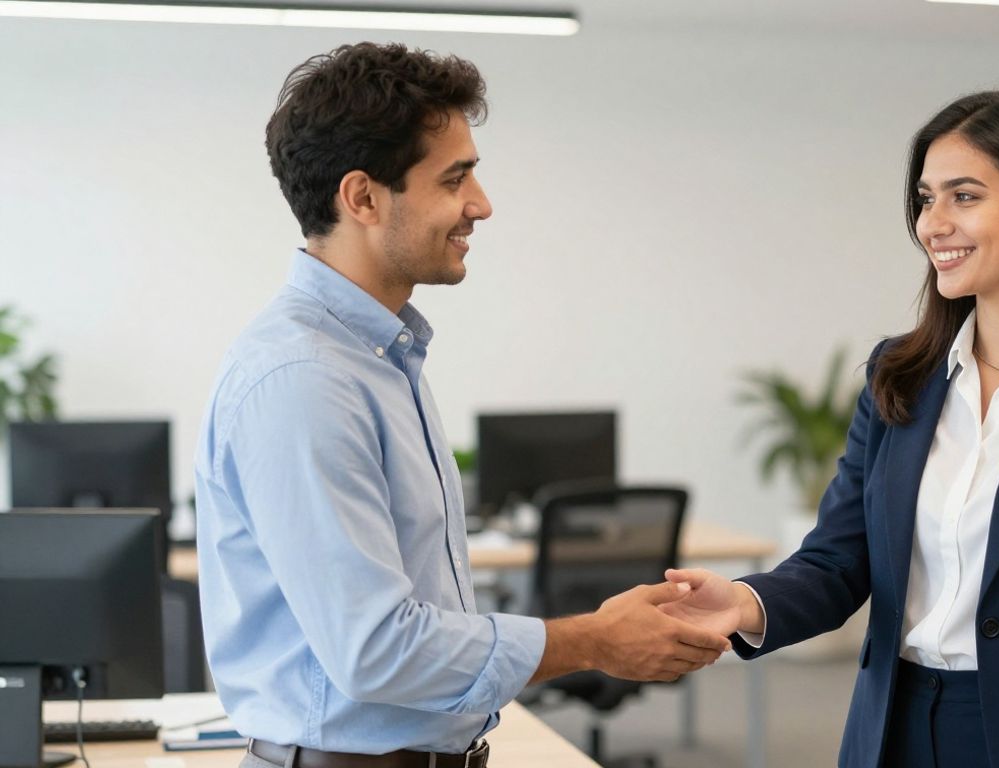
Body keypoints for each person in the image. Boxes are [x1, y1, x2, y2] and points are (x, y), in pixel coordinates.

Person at [193, 42, 730, 768]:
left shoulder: (382, 358)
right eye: (455, 179)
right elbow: (376, 650)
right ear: (362, 198)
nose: (480, 205)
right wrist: (593, 639)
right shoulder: (304, 379)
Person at [662, 88, 999, 767]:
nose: (933, 224)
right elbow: (839, 560)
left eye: (965, 196)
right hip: (897, 728)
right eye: (925, 199)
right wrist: (744, 601)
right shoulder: (902, 374)